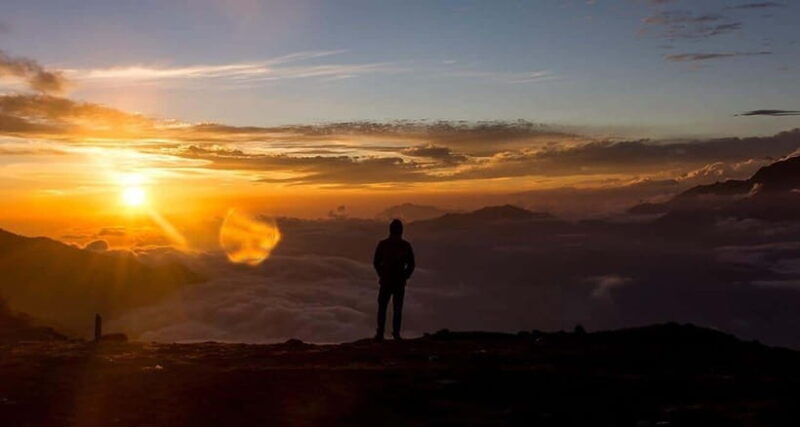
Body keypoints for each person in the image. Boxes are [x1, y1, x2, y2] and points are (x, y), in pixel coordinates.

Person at [373, 219, 415, 340]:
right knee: (397, 308)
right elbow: (411, 264)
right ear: (401, 231)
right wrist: (404, 276)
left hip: (386, 282)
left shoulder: (383, 245)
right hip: (398, 283)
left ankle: (380, 333)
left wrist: (382, 274)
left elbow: (376, 262)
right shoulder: (405, 246)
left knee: (383, 307)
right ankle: (395, 334)